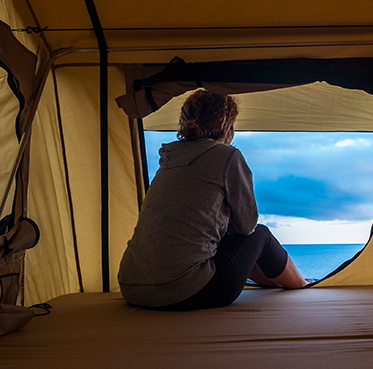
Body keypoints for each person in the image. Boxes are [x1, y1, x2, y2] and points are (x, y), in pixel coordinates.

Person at [118, 90, 309, 310]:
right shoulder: (226, 156)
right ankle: (301, 284)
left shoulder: (168, 161)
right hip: (186, 292)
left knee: (224, 243)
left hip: (132, 288)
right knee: (261, 234)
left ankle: (278, 281)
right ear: (228, 126)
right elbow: (247, 227)